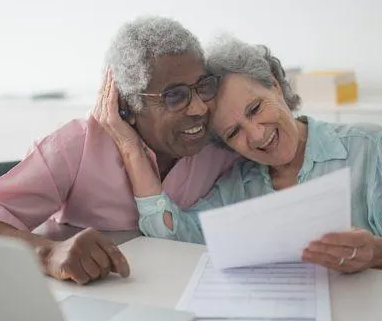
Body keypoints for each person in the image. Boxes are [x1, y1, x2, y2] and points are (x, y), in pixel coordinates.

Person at [0, 18, 239, 284]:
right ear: (127, 104)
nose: (199, 108)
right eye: (175, 96)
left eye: (203, 87)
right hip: (99, 299)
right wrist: (48, 252)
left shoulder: (221, 145)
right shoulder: (75, 146)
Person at [104, 35, 382, 274]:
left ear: (274, 85)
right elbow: (173, 237)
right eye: (234, 132)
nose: (258, 135)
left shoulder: (370, 147)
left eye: (255, 109)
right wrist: (131, 151)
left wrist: (375, 253)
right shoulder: (238, 186)